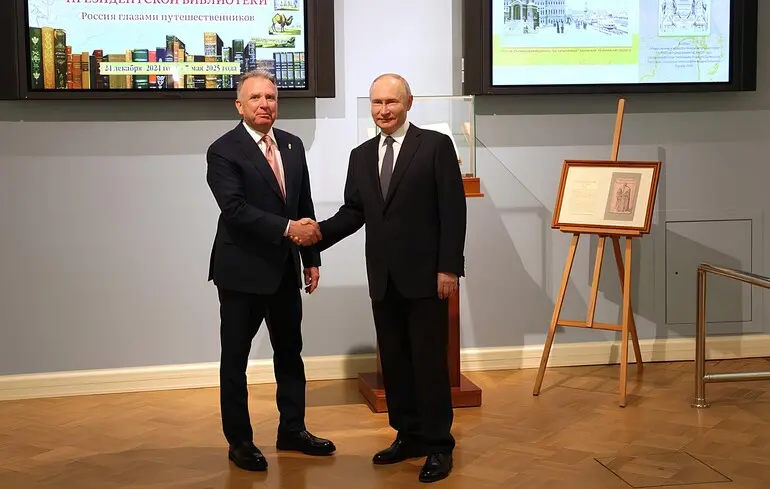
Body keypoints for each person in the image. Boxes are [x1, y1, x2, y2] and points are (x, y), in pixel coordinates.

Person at [303, 73, 467, 483]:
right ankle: (408, 435)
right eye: (376, 103)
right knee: (395, 363)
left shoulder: (435, 146)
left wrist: (449, 267)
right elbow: (354, 212)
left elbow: (453, 210)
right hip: (383, 278)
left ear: (408, 102)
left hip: (428, 278)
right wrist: (316, 236)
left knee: (429, 364)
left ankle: (438, 445)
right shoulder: (360, 155)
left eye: (391, 102)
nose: (383, 110)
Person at [205, 69, 335, 472]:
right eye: (256, 98)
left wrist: (311, 258)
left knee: (290, 355)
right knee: (235, 360)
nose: (265, 104)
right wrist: (289, 229)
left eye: (271, 97)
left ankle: (292, 430)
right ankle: (240, 441)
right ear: (239, 105)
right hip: (241, 273)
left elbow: (303, 204)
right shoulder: (223, 150)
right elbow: (235, 209)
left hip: (283, 271)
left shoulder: (292, 145)